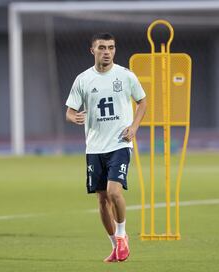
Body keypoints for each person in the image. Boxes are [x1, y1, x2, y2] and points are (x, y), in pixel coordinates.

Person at [65, 32, 147, 263]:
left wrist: (134, 126)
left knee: (113, 192)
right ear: (93, 50)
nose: (107, 52)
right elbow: (70, 110)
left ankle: (122, 236)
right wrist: (74, 117)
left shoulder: (125, 75)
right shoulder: (83, 80)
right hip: (94, 147)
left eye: (111, 47)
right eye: (102, 48)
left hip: (120, 143)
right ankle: (115, 246)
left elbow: (142, 101)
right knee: (102, 200)